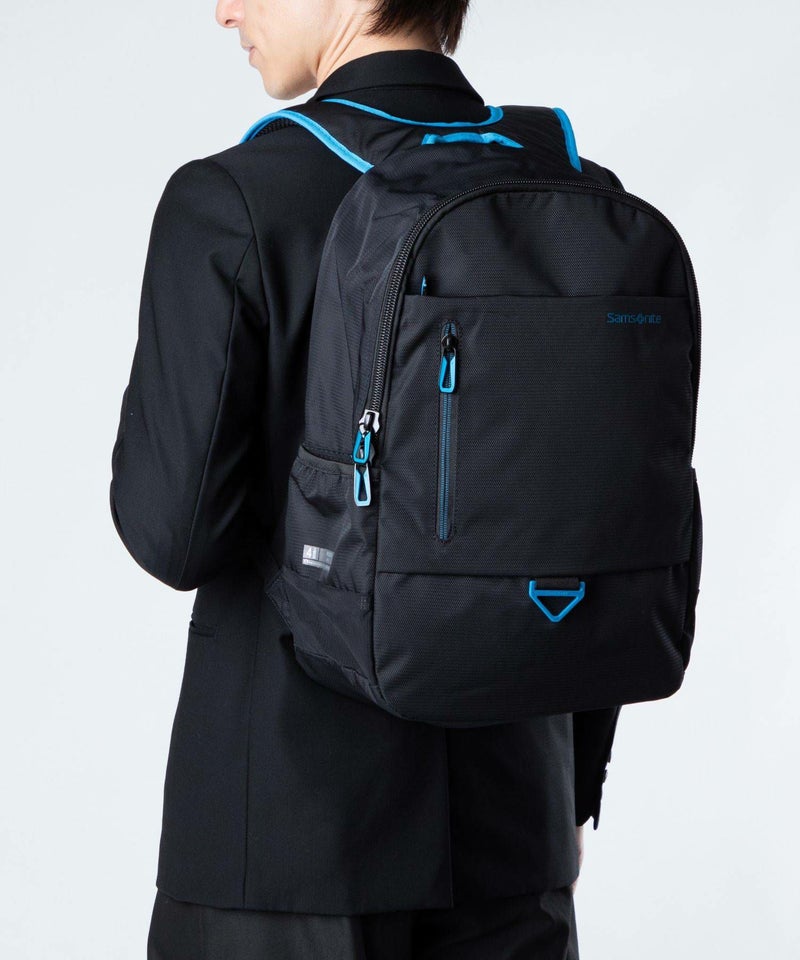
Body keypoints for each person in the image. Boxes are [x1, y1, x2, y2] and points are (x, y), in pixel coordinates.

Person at [109, 1, 622, 956]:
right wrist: (568, 792)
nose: (224, 9)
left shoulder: (235, 199)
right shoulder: (571, 192)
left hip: (285, 855)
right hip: (517, 836)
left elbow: (173, 537)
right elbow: (602, 521)